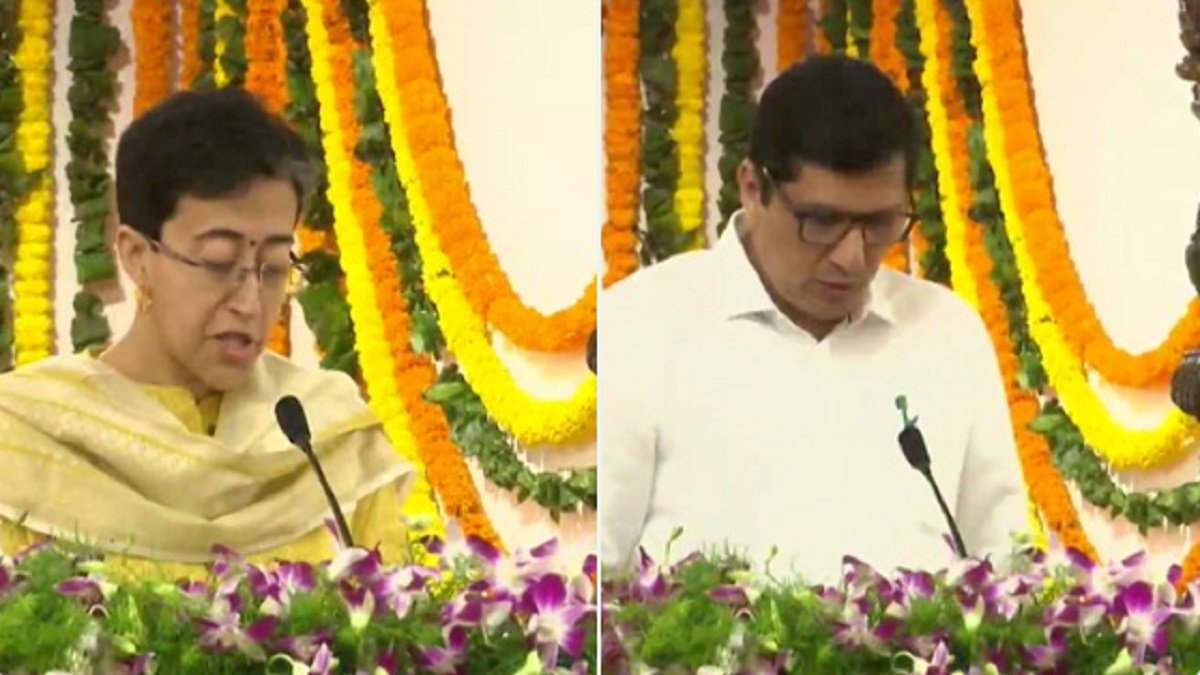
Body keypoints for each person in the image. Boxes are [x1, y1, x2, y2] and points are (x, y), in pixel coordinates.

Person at [600, 55, 1027, 582]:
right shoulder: (643, 324)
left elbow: (1006, 565)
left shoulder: (945, 331)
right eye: (821, 221)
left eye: (880, 223)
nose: (852, 257)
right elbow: (598, 580)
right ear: (752, 187)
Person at [0, 88, 412, 580]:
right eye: (218, 262)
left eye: (273, 267)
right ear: (137, 256)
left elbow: (399, 612)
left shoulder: (327, 435)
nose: (250, 302)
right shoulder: (26, 440)